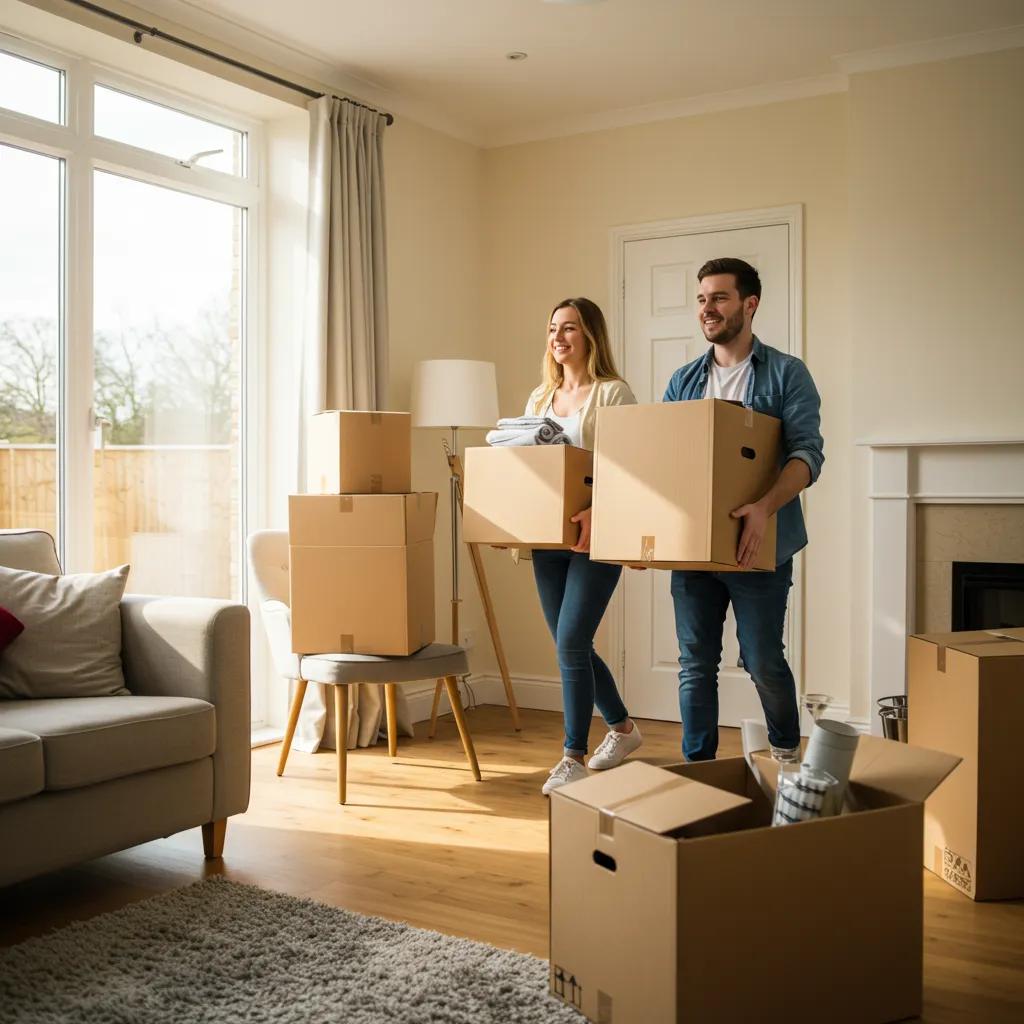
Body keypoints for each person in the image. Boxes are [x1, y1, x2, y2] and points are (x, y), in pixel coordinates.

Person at [661, 258, 824, 762]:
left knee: (762, 659)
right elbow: (664, 460)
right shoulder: (684, 381)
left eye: (720, 298)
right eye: (702, 299)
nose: (708, 309)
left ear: (750, 304)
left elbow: (807, 456)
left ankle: (785, 754)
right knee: (695, 664)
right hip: (695, 549)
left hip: (761, 544)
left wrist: (764, 508)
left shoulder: (786, 373)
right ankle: (699, 769)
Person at [523, 298, 642, 794]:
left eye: (569, 328)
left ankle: (571, 754)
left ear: (590, 335)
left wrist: (598, 510)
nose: (559, 337)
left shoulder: (614, 394)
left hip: (596, 537)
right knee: (570, 645)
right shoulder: (539, 398)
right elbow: (527, 465)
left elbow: (631, 466)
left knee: (571, 642)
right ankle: (623, 729)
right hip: (548, 537)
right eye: (553, 328)